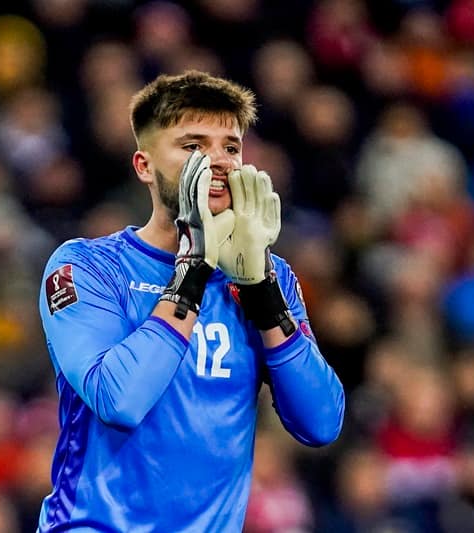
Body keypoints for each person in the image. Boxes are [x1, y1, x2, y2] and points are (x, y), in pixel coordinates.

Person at [36, 70, 345, 532]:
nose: (217, 161)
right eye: (193, 146)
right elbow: (119, 400)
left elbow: (320, 422)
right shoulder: (87, 267)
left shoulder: (268, 275)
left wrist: (261, 292)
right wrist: (195, 264)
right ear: (144, 166)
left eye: (231, 147)